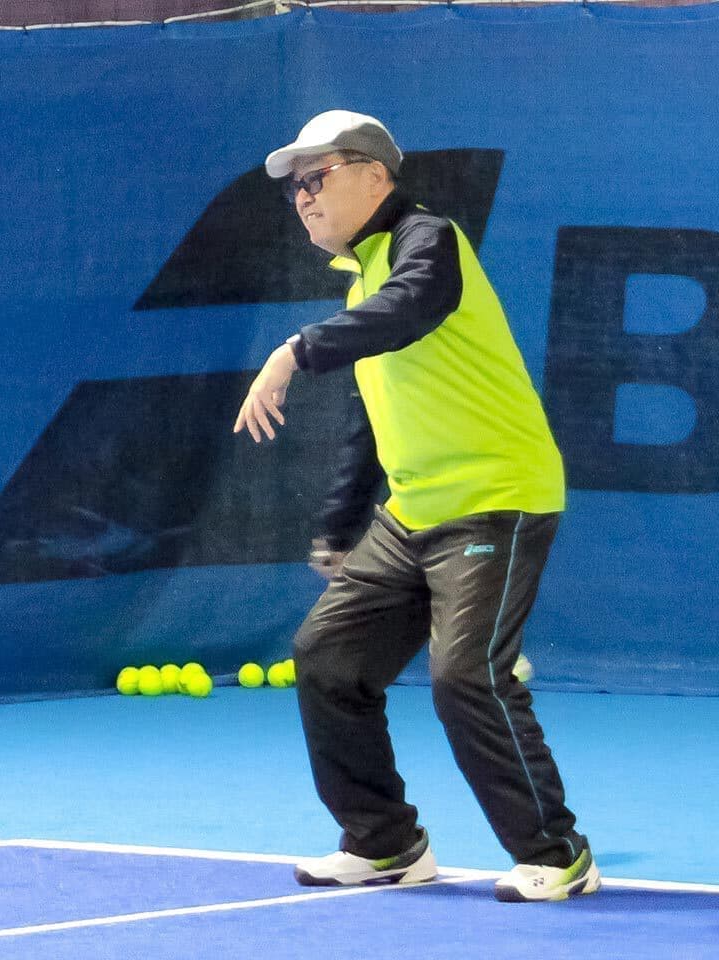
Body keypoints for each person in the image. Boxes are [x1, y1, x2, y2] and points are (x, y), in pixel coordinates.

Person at [233, 110, 599, 903]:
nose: (303, 197)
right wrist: (341, 525)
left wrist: (295, 350)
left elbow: (410, 306)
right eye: (295, 188)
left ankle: (558, 853)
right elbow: (378, 419)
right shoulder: (363, 278)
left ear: (375, 175)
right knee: (328, 659)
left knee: (465, 676)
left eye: (317, 177)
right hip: (413, 516)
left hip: (497, 499)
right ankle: (385, 843)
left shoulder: (429, 242)